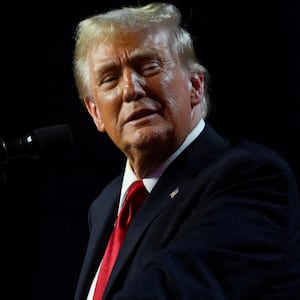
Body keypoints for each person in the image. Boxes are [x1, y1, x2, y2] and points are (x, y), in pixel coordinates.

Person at [72, 2, 300, 299]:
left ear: (195, 86)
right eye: (110, 78)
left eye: (148, 67)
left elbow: (172, 289)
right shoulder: (105, 206)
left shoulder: (251, 178)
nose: (130, 89)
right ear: (95, 113)